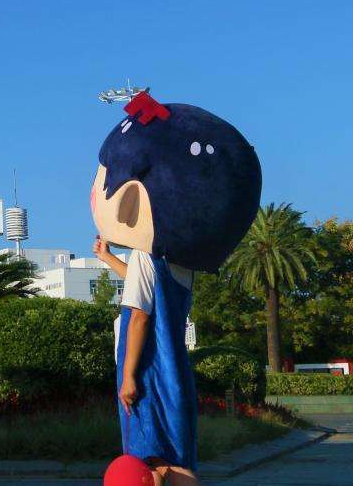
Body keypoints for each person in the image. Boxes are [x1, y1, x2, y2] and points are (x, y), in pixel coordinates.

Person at [89, 90, 262, 485]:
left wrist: (129, 376)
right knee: (178, 458)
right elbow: (149, 288)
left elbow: (138, 316)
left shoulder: (146, 259)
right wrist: (111, 261)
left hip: (148, 370)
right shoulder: (176, 261)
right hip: (174, 373)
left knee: (147, 464)